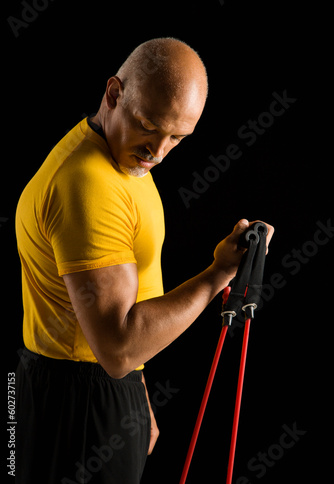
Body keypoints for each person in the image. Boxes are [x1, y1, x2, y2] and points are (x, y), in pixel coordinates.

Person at [15, 37, 274, 484]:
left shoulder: (120, 159)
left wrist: (138, 397)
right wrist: (217, 276)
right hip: (79, 405)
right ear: (114, 94)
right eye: (149, 126)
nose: (158, 151)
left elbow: (121, 317)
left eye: (178, 137)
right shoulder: (89, 186)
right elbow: (116, 349)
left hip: (92, 393)